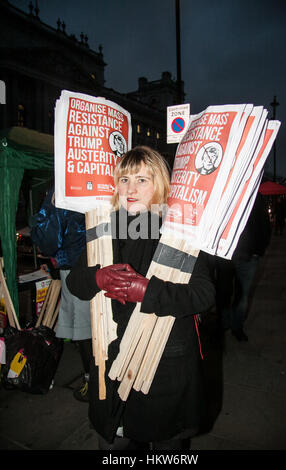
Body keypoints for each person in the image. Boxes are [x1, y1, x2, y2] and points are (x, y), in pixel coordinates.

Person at [66, 146, 215, 450]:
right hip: (111, 362)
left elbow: (204, 294)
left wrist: (149, 292)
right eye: (123, 179)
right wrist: (96, 277)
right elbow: (75, 282)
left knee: (166, 447)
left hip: (163, 367)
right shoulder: (105, 228)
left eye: (141, 180)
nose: (130, 188)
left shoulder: (180, 231)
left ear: (160, 184)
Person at [30, 188, 93, 402]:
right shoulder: (99, 180)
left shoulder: (65, 188)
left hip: (77, 267)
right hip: (100, 262)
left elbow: (49, 239)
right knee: (93, 327)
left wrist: (46, 209)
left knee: (84, 329)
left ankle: (93, 382)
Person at [215, 192, 271, 342]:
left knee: (242, 296)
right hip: (225, 254)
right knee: (223, 293)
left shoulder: (256, 195)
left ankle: (236, 326)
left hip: (248, 256)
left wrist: (258, 250)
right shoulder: (225, 191)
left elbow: (264, 223)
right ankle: (223, 325)